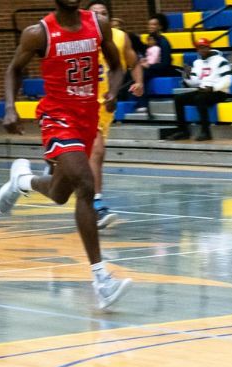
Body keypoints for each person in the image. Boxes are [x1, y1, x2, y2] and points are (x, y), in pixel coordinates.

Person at [1, 0, 132, 310]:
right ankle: (102, 279)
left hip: (87, 116)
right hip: (57, 116)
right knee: (85, 183)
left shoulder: (98, 25)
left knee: (61, 194)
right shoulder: (39, 33)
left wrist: (114, 91)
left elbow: (117, 66)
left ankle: (22, 181)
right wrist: (10, 107)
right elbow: (14, 70)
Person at [87, 0, 144, 230]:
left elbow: (134, 62)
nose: (99, 16)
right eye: (94, 13)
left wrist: (138, 82)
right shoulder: (76, 39)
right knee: (97, 152)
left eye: (103, 13)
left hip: (105, 105)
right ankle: (97, 204)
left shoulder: (119, 37)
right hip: (80, 103)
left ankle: (31, 180)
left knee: (94, 156)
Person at [165, 38, 231, 142]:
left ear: (209, 48)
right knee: (178, 99)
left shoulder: (221, 61)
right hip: (203, 90)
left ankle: (206, 132)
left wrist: (212, 88)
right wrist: (187, 76)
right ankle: (183, 131)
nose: (202, 50)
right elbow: (194, 82)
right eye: (199, 48)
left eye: (204, 47)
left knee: (200, 98)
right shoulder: (197, 62)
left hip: (219, 92)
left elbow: (227, 80)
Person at [136, 14, 174, 113]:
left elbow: (165, 63)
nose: (151, 27)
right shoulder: (150, 41)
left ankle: (143, 104)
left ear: (160, 27)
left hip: (162, 69)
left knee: (141, 74)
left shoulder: (164, 42)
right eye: (149, 24)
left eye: (154, 24)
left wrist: (149, 66)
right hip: (152, 68)